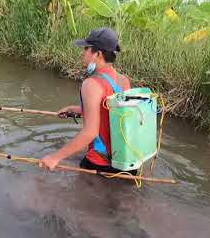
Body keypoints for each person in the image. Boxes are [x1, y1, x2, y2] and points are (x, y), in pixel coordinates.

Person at [38, 27, 136, 175]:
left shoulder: (91, 84)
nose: (82, 53)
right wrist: (78, 110)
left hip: (100, 164)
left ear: (98, 54)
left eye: (86, 48)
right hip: (126, 161)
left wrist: (54, 157)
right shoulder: (123, 81)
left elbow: (90, 132)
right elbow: (112, 113)